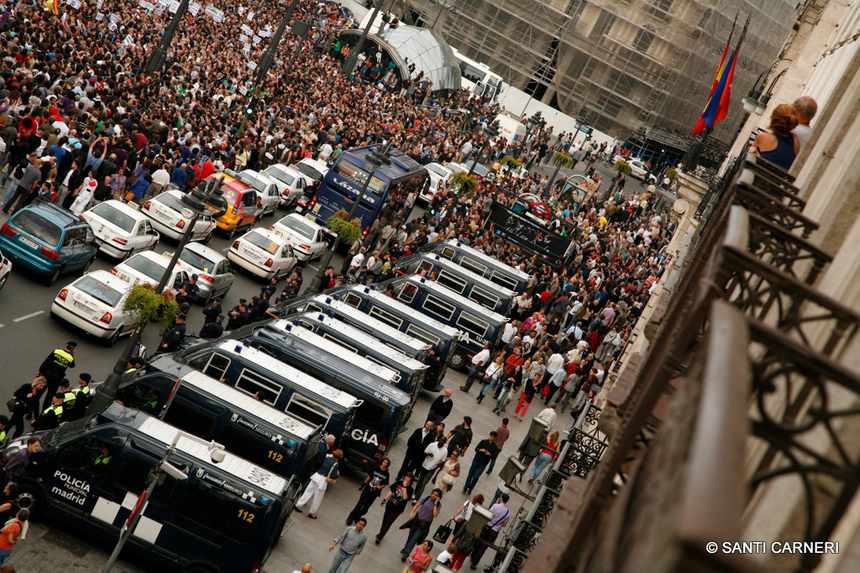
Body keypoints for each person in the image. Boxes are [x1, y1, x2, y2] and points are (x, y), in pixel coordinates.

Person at [749, 103, 800, 171]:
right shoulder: (796, 141)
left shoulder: (763, 137)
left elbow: (753, 148)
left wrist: (753, 147)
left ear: (773, 119)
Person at [295, 449, 343, 519]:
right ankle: (312, 512)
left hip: (316, 476)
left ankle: (298, 505)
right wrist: (337, 475)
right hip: (322, 481)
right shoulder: (335, 464)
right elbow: (333, 475)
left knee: (308, 492)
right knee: (317, 498)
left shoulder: (327, 458)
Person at [468, 494, 510, 569]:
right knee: (484, 546)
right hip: (494, 531)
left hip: (487, 527)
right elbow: (504, 525)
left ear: (501, 499)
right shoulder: (508, 513)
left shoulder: (495, 506)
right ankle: (474, 562)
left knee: (479, 541)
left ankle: (473, 555)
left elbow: (488, 515)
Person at [400, 488, 442, 562]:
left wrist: (435, 503)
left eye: (436, 495)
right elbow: (417, 505)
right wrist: (412, 512)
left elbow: (435, 514)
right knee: (411, 536)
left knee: (414, 538)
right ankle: (406, 547)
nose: (434, 496)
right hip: (416, 521)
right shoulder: (426, 498)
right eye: (433, 494)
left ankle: (406, 554)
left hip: (424, 525)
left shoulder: (438, 504)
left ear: (438, 497)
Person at [346, 458, 390, 525]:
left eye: (386, 463)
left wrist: (378, 488)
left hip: (375, 492)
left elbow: (384, 484)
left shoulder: (386, 474)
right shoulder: (375, 468)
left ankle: (358, 517)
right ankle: (350, 518)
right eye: (384, 462)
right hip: (367, 489)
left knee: (365, 508)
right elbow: (369, 477)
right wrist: (363, 484)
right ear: (381, 462)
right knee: (359, 504)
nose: (384, 464)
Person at [376, 473, 414, 544]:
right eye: (406, 476)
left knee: (389, 521)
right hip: (390, 504)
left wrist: (405, 487)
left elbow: (405, 498)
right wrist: (384, 499)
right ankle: (381, 533)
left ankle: (380, 536)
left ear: (411, 479)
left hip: (398, 508)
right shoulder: (398, 483)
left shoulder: (410, 489)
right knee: (385, 519)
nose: (407, 478)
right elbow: (391, 491)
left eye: (409, 477)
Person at [38, 341, 76, 411]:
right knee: (49, 397)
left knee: (38, 393)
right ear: (72, 349)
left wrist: (40, 372)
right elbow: (72, 365)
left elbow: (46, 361)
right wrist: (72, 354)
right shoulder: (70, 358)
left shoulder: (56, 351)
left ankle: (31, 413)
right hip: (56, 380)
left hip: (46, 376)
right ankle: (44, 411)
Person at [413, 436, 448, 501]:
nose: (441, 442)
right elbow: (424, 453)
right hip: (424, 466)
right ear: (439, 439)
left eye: (443, 441)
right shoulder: (432, 445)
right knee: (420, 480)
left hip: (432, 469)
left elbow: (442, 462)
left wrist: (436, 467)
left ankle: (417, 498)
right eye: (441, 440)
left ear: (445, 442)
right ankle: (415, 493)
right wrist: (428, 454)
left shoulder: (445, 451)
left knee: (423, 483)